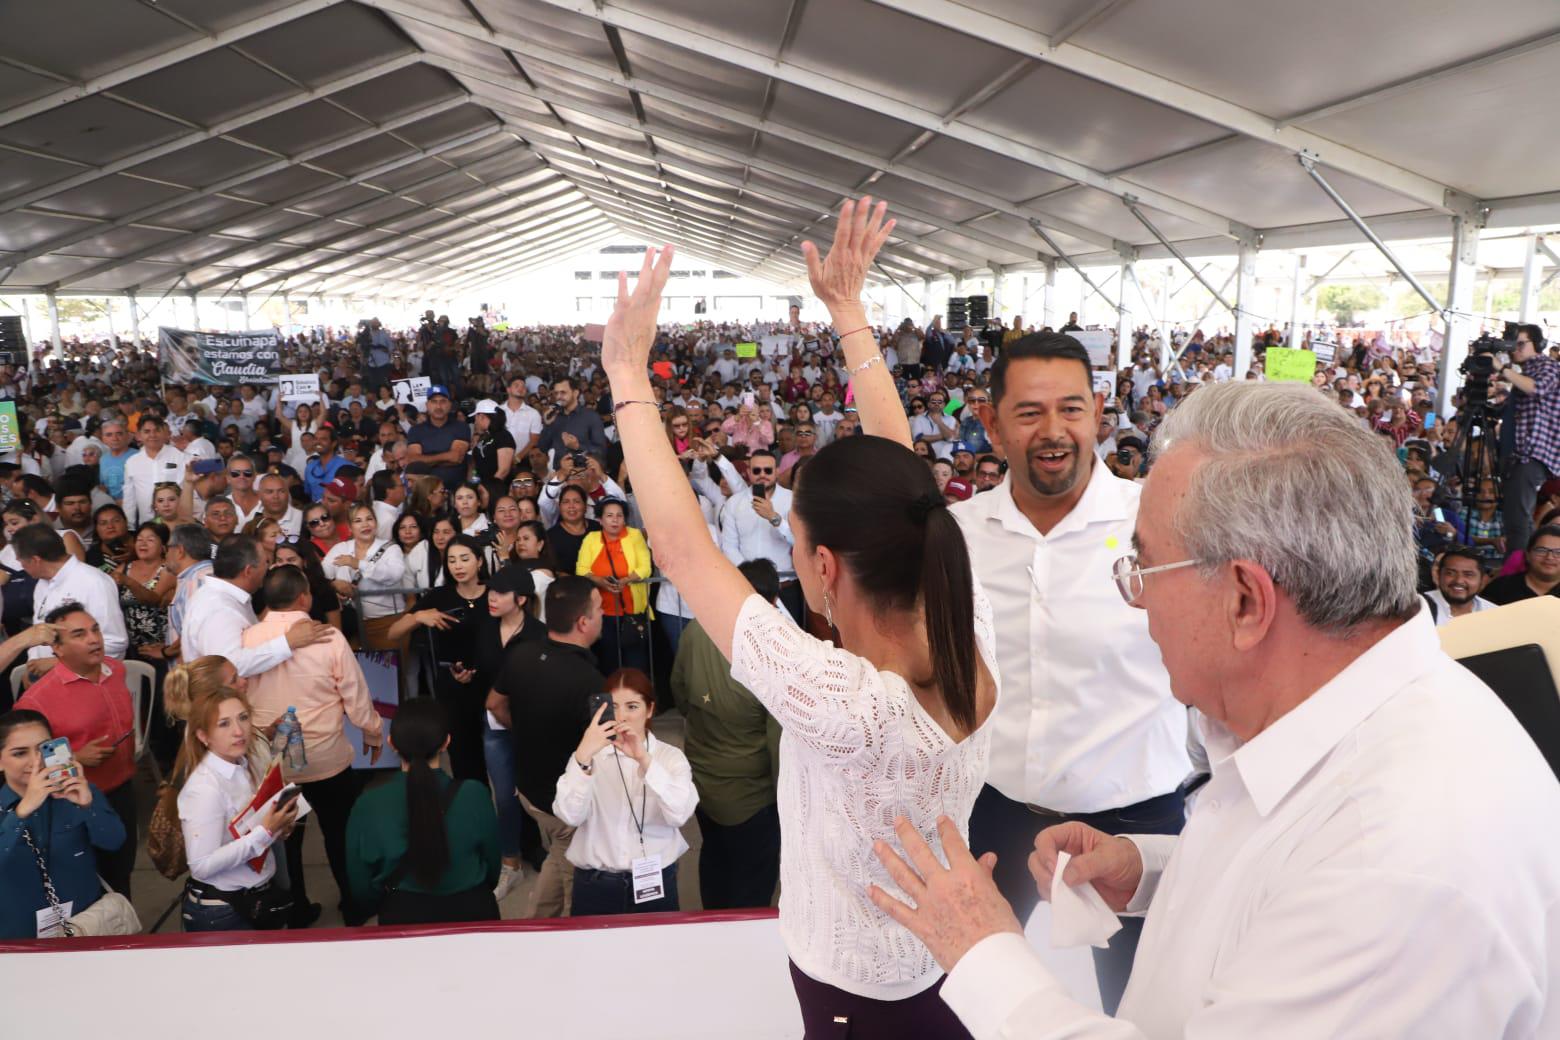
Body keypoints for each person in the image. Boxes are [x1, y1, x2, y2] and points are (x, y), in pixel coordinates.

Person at [870, 381, 1560, 1037]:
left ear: (1245, 601)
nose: (1135, 601)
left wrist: (983, 951)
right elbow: (1289, 876)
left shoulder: (1395, 870)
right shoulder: (1352, 725)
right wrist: (1153, 869)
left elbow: (1335, 881)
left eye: (1143, 569)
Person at [603, 205, 997, 1036]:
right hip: (951, 968)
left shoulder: (843, 700)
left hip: (859, 991)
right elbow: (904, 479)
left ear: (823, 568)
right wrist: (849, 313)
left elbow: (681, 550)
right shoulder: (967, 615)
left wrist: (628, 377)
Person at [954, 331, 1190, 1012]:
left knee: (1144, 1006)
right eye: (1029, 413)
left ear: (1099, 413)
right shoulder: (959, 534)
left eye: (1072, 409)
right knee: (962, 986)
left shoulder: (1162, 522)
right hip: (997, 808)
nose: (1053, 431)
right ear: (992, 423)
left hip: (1137, 819)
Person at [244, 565, 384, 926]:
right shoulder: (328, 637)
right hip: (327, 757)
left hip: (273, 761)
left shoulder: (248, 639)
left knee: (284, 838)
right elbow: (354, 693)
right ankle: (354, 904)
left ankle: (296, 908)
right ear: (304, 597)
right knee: (340, 832)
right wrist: (372, 731)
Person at [670, 559, 782, 910]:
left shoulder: (695, 631)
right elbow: (778, 747)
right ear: (773, 601)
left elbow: (679, 694)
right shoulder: (772, 653)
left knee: (715, 860)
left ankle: (712, 926)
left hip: (703, 780)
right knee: (753, 885)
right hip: (752, 795)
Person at [494, 576, 605, 918]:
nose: (603, 614)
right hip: (564, 803)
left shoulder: (521, 653)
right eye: (600, 608)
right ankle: (570, 937)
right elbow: (606, 748)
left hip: (528, 790)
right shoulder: (591, 681)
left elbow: (494, 703)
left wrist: (526, 729)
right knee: (576, 880)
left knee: (559, 853)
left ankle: (536, 922)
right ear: (583, 622)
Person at [15, 604, 137, 895]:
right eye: (79, 634)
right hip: (76, 804)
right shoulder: (37, 700)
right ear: (57, 648)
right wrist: (76, 757)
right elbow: (23, 764)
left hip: (123, 790)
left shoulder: (116, 670)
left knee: (122, 872)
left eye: (95, 630)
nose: (94, 639)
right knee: (92, 885)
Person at [345, 697, 500, 925]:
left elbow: (360, 885)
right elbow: (493, 867)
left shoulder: (368, 804)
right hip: (474, 912)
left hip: (402, 915)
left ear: (391, 743)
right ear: (446, 742)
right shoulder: (475, 794)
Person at [555, 667, 696, 916]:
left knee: (657, 942)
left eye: (632, 706)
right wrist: (583, 758)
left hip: (655, 880)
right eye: (613, 707)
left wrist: (645, 760)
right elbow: (570, 816)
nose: (621, 716)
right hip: (595, 884)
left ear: (649, 710)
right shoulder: (589, 756)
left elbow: (679, 815)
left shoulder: (670, 757)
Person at [175, 687, 298, 932]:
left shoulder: (242, 765)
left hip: (254, 896)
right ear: (203, 736)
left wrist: (278, 826)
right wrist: (265, 833)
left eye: (243, 718)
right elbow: (201, 865)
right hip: (224, 912)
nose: (239, 731)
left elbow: (245, 829)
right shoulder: (204, 789)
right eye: (224, 724)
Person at [0, 708, 127, 939]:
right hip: (17, 933)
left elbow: (114, 842)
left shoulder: (79, 792)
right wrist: (21, 812)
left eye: (43, 749)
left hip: (83, 926)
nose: (36, 761)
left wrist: (88, 807)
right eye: (20, 753)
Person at [387, 535, 491, 782]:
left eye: (464, 559)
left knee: (502, 757)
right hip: (453, 690)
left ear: (479, 561)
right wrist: (417, 617)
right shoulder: (439, 596)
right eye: (452, 561)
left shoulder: (495, 593)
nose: (458, 566)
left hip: (494, 685)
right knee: (465, 763)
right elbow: (393, 633)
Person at [477, 564, 547, 900]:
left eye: (500, 593)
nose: (491, 598)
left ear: (520, 599)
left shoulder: (539, 634)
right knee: (504, 796)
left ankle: (545, 850)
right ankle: (510, 863)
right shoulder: (484, 629)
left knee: (537, 794)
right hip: (494, 727)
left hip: (531, 727)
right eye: (490, 591)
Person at [182, 534, 333, 676]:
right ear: (248, 571)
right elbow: (230, 666)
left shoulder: (224, 598)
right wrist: (288, 642)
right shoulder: (218, 608)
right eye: (265, 563)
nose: (269, 568)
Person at [15, 524, 129, 664]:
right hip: (43, 673)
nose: (20, 566)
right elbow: (38, 631)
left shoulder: (94, 582)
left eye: (20, 560)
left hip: (85, 675)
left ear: (35, 560)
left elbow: (115, 642)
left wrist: (57, 663)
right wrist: (33, 662)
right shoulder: (42, 583)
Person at [1496, 324, 1560, 553]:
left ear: (1538, 344)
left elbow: (1537, 388)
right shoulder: (1523, 374)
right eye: (1512, 344)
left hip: (1532, 455)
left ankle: (1519, 567)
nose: (1515, 349)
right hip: (1519, 455)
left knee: (1518, 520)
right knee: (1514, 516)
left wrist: (1502, 368)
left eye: (1521, 343)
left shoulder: (1548, 366)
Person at [575, 498, 652, 675]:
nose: (615, 520)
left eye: (619, 515)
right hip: (602, 612)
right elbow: (581, 569)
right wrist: (599, 581)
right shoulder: (591, 539)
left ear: (625, 519)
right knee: (610, 662)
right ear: (600, 520)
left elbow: (645, 568)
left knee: (636, 663)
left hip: (632, 611)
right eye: (609, 515)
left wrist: (626, 580)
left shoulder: (635, 536)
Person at [324, 503, 407, 649]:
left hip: (387, 621)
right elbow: (319, 575)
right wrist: (333, 585)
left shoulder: (391, 548)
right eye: (358, 521)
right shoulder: (341, 548)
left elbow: (394, 574)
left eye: (369, 519)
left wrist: (358, 564)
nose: (365, 524)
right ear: (350, 527)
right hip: (351, 623)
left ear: (376, 523)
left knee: (390, 664)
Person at [112, 522, 174, 667]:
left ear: (163, 547)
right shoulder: (126, 567)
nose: (143, 543)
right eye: (139, 539)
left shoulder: (168, 569)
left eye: (150, 540)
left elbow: (153, 599)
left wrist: (129, 582)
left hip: (160, 647)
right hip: (130, 647)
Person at [121, 416, 185, 527]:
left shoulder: (179, 457)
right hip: (147, 524)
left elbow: (185, 489)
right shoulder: (132, 462)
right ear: (139, 435)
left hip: (177, 523)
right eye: (147, 431)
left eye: (157, 430)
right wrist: (129, 526)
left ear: (165, 433)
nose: (152, 435)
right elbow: (129, 499)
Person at [404, 385, 471, 492]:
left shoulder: (461, 427)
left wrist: (425, 460)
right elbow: (413, 461)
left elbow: (456, 457)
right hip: (426, 492)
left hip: (457, 491)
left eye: (443, 401)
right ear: (427, 405)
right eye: (434, 402)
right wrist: (446, 456)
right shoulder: (416, 430)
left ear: (449, 405)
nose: (438, 406)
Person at [538, 375, 605, 468]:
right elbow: (542, 448)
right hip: (560, 472)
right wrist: (547, 425)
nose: (558, 397)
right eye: (556, 393)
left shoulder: (591, 416)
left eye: (563, 392)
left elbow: (601, 451)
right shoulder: (554, 417)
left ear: (575, 393)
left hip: (584, 472)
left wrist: (578, 446)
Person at [1483, 525, 1560, 604]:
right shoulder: (1499, 588)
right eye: (1541, 550)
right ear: (1527, 555)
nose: (1549, 557)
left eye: (1558, 552)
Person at [1423, 545, 1495, 623]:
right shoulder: (1418, 608)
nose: (1459, 581)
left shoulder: (1494, 614)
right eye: (1450, 573)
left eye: (1468, 575)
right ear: (1438, 575)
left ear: (1483, 580)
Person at [546, 484, 599, 576]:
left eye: (577, 501)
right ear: (559, 506)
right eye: (566, 502)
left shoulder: (597, 528)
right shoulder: (550, 536)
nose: (571, 506)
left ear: (585, 506)